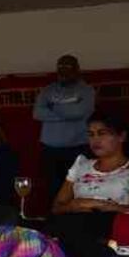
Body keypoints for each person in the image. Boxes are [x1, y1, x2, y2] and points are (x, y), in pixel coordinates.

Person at [51, 112, 129, 220]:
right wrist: (73, 206)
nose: (95, 140)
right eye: (91, 134)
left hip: (114, 229)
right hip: (75, 225)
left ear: (122, 136)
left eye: (102, 133)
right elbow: (57, 207)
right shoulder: (81, 165)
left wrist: (100, 206)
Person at [35, 54, 95, 196]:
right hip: (50, 150)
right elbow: (37, 113)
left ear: (77, 69)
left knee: (78, 190)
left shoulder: (86, 90)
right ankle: (55, 218)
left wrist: (53, 107)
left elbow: (79, 112)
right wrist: (69, 111)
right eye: (60, 67)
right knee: (53, 191)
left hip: (77, 149)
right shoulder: (47, 91)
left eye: (68, 67)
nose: (63, 71)